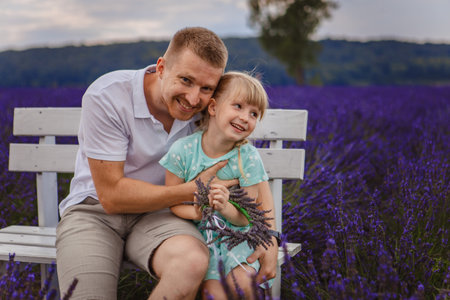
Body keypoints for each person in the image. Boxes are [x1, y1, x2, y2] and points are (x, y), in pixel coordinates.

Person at [55, 27, 278, 300]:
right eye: (185, 80)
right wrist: (193, 190)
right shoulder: (109, 96)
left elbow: (250, 168)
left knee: (192, 262)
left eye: (206, 88)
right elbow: (111, 197)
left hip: (161, 215)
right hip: (95, 212)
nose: (193, 98)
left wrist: (269, 234)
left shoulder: (207, 112)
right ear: (161, 67)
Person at [159, 71, 276, 299]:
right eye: (238, 106)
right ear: (212, 108)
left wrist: (225, 207)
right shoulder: (183, 152)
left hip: (240, 238)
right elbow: (172, 201)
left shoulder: (247, 157)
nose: (245, 117)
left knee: (242, 285)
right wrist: (197, 211)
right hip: (202, 241)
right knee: (212, 294)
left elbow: (248, 216)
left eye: (254, 113)